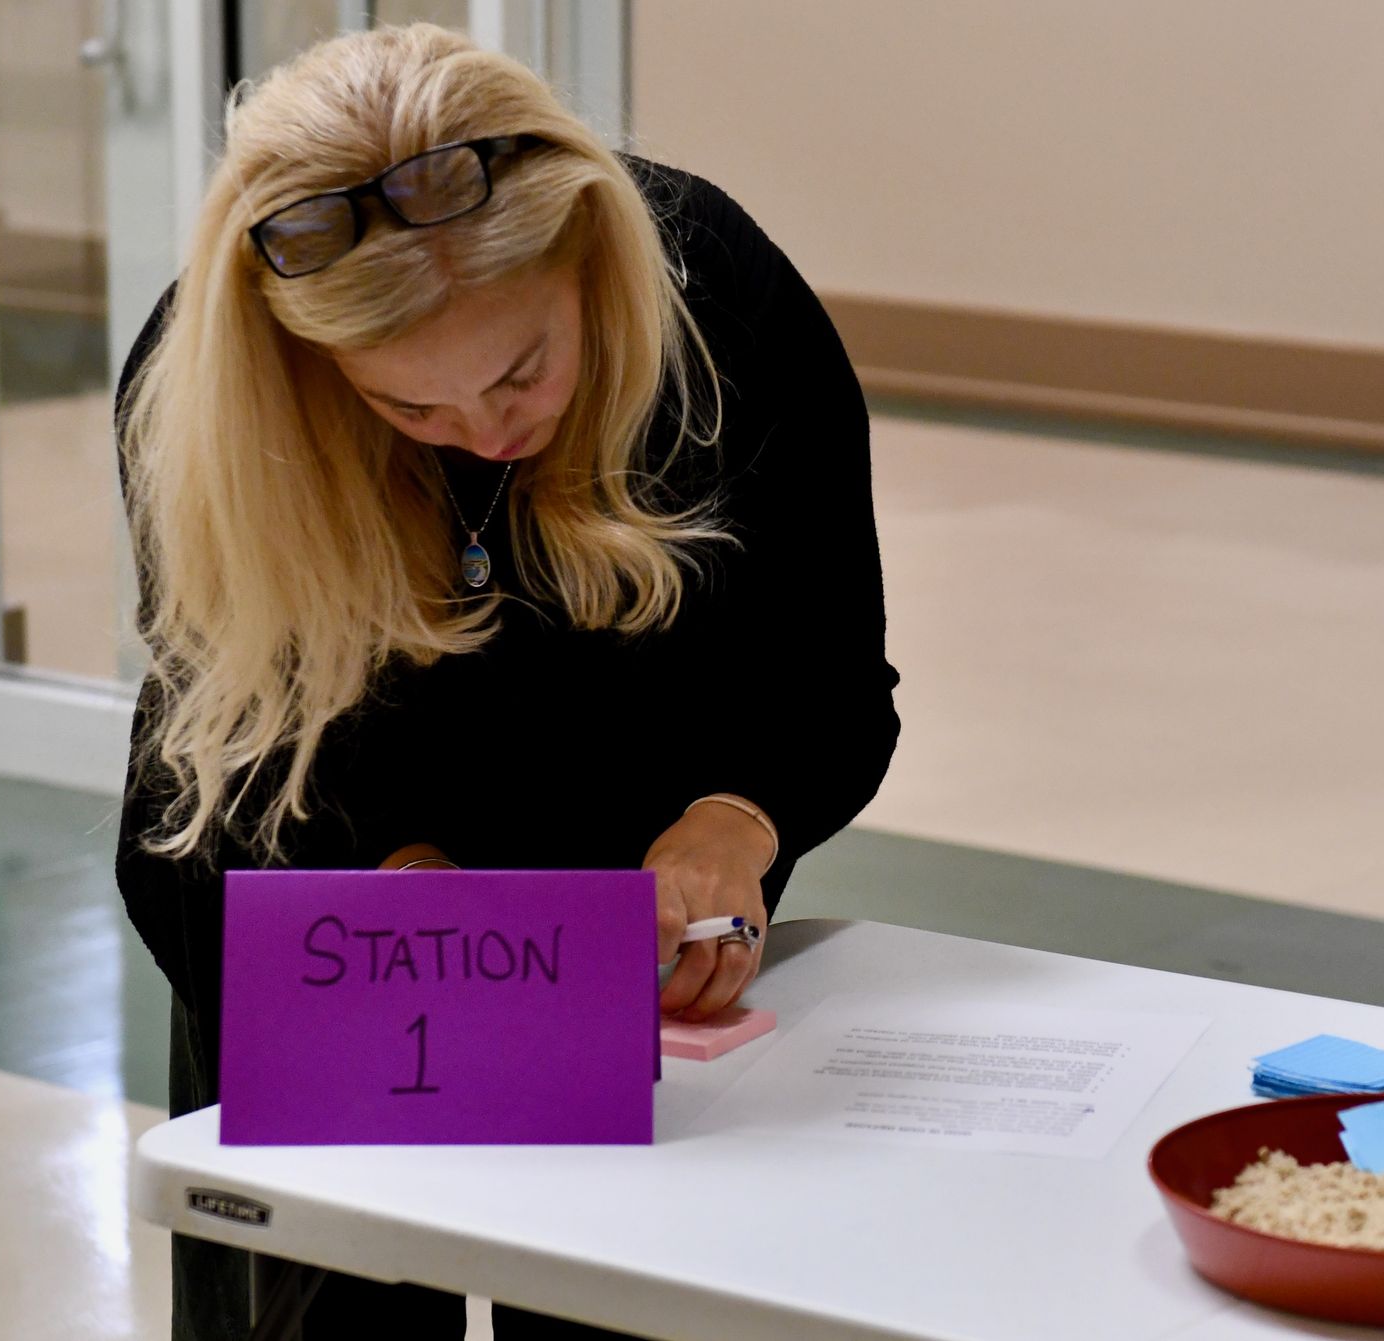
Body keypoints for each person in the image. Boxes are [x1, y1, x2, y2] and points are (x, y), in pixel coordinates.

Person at [113, 22, 899, 1340]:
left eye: (525, 370)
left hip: (625, 948)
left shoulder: (720, 298)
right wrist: (402, 886)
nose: (485, 432)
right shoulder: (216, 392)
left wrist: (734, 820)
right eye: (408, 410)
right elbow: (232, 750)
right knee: (324, 1308)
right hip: (318, 914)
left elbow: (827, 672)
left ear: (591, 255)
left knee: (620, 1295)